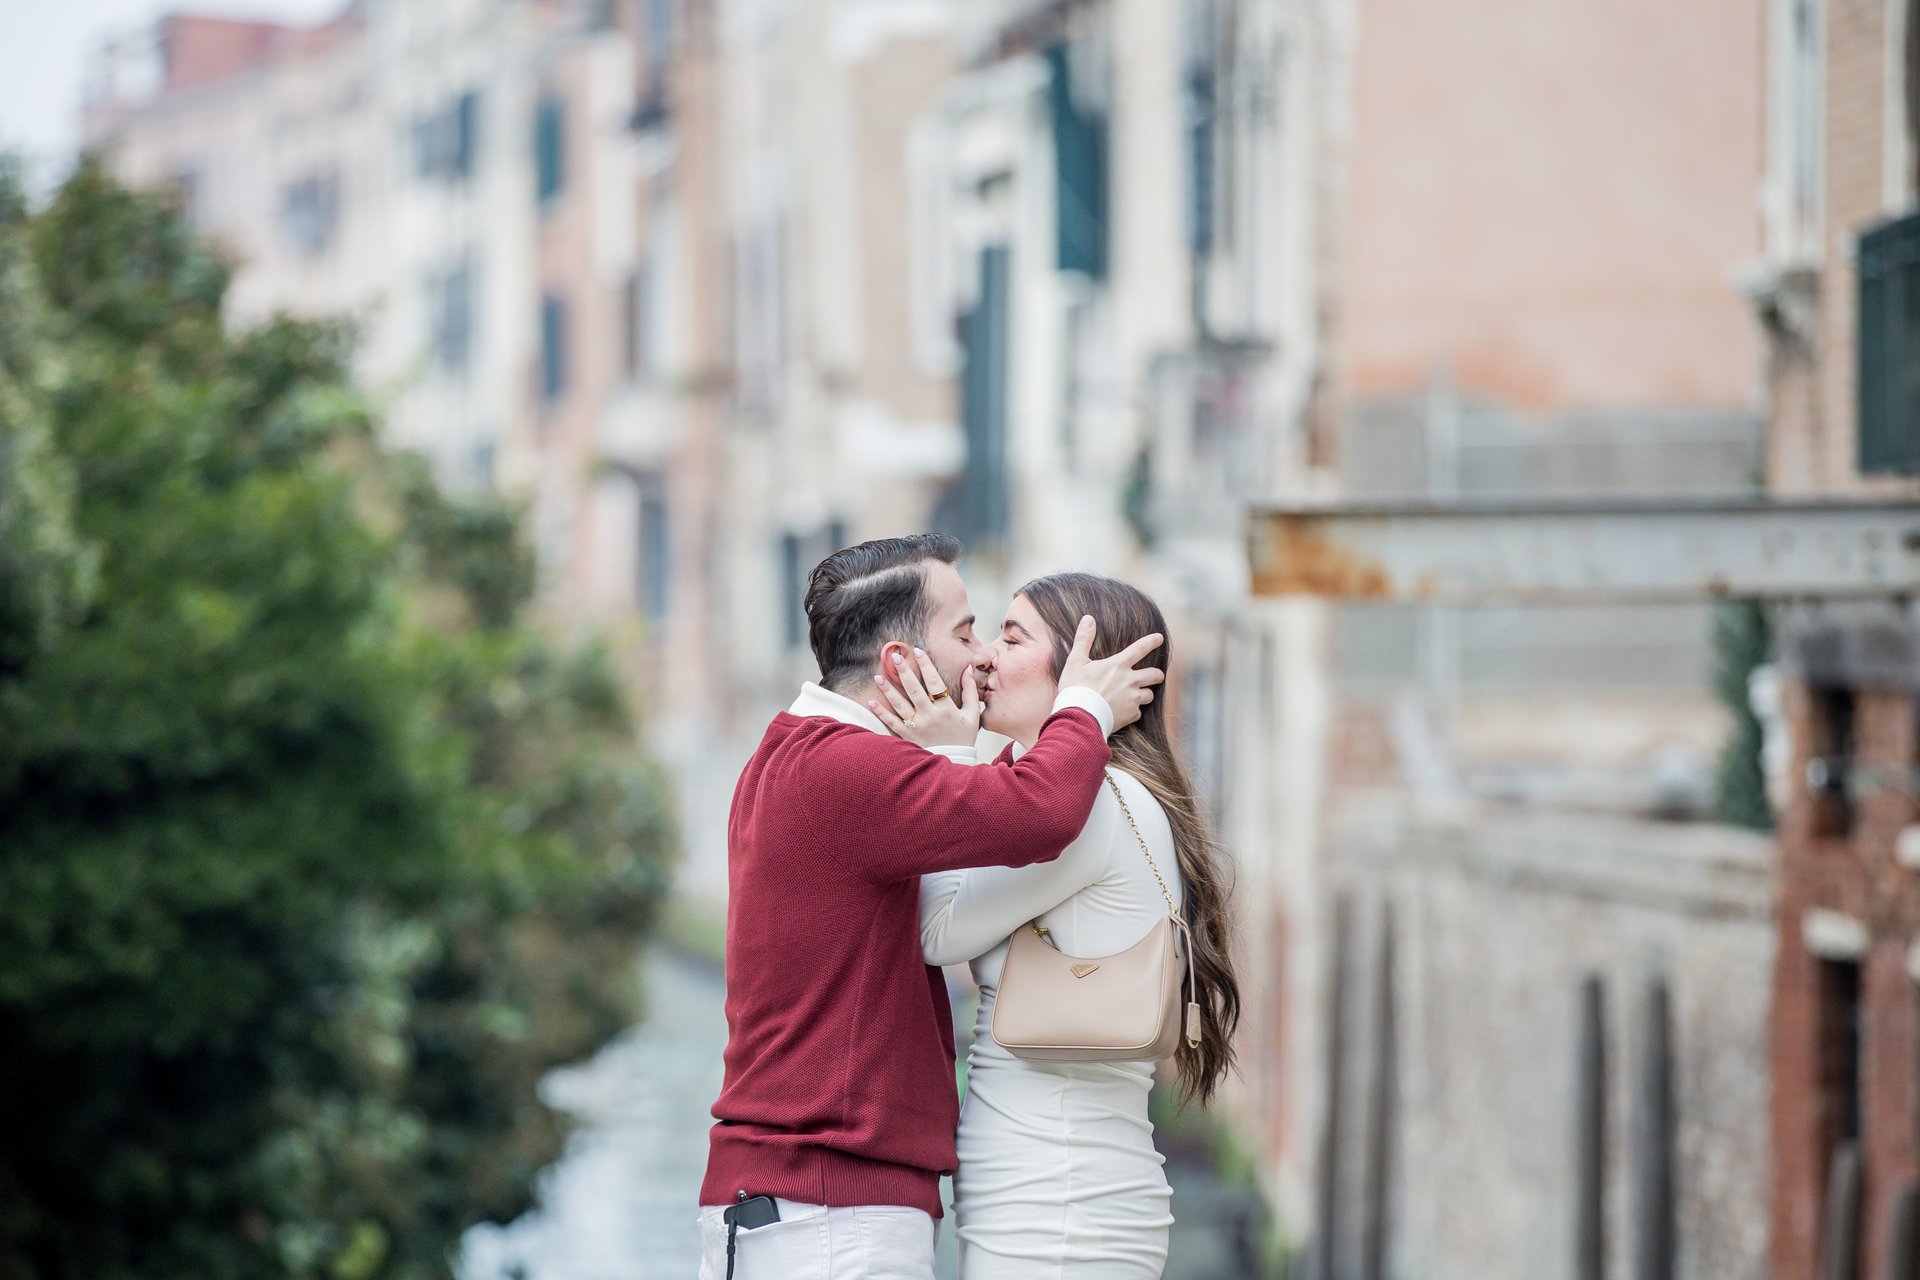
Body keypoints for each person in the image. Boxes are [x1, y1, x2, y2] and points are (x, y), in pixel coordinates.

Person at [696, 536, 1166, 1280]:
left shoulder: (796, 754)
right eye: (966, 632)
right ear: (900, 665)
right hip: (827, 1207)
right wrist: (1083, 710)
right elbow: (1036, 811)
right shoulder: (852, 769)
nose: (980, 657)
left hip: (812, 1205)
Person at [881, 573, 1242, 1280]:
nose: (981, 657)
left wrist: (949, 760)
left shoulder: (1091, 809)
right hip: (1054, 1195)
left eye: (1011, 638)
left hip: (1060, 1208)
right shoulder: (1097, 799)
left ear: (1081, 670)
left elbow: (937, 930)